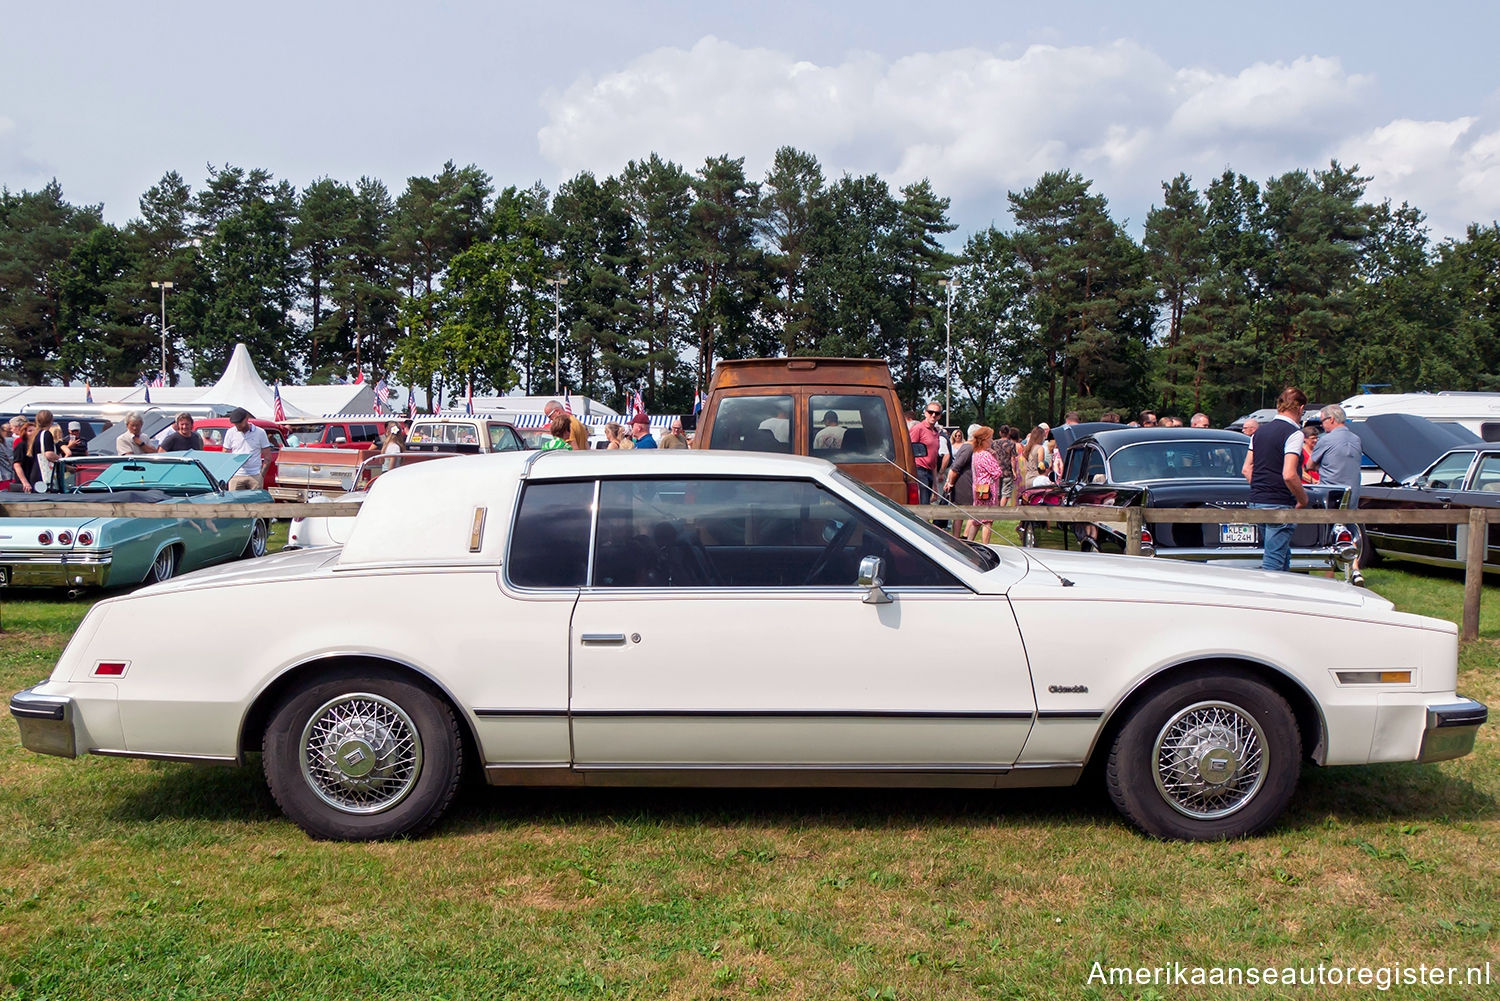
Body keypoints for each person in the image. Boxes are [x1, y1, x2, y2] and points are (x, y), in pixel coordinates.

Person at [1242, 386, 1309, 572]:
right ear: (1301, 408)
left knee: (1281, 553)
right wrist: (1303, 499)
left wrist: (1260, 488)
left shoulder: (1258, 433)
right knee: (1273, 561)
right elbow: (1289, 473)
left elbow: (1247, 469)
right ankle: (1268, 598)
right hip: (1279, 502)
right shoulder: (1294, 434)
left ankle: (1284, 595)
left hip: (1257, 501)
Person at [1308, 403, 1367, 585]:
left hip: (1331, 494)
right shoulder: (1356, 439)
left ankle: (1330, 577)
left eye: (1322, 421)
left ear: (1331, 419)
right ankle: (1355, 571)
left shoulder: (1326, 440)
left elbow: (1310, 465)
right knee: (1347, 531)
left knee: (1329, 536)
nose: (1321, 425)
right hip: (1353, 493)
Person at [223, 407, 272, 490]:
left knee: (256, 502)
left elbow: (268, 457)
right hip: (236, 475)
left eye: (239, 423)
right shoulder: (230, 432)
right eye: (235, 424)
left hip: (255, 475)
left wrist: (261, 476)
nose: (237, 426)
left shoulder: (260, 432)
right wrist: (229, 474)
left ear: (246, 419)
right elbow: (225, 454)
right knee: (235, 502)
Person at [968, 426, 1001, 544]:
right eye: (991, 438)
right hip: (988, 490)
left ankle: (969, 542)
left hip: (978, 488)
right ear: (985, 439)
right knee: (987, 520)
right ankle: (986, 545)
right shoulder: (985, 455)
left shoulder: (976, 454)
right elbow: (997, 472)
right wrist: (995, 457)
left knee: (976, 519)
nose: (992, 441)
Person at [944, 424, 978, 537]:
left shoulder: (967, 447)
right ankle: (962, 538)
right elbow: (955, 467)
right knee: (968, 512)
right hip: (963, 485)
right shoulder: (969, 448)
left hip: (963, 483)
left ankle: (959, 538)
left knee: (961, 514)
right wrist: (950, 483)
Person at [909, 401, 944, 504]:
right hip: (919, 470)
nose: (933, 415)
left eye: (936, 413)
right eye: (930, 412)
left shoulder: (936, 432)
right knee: (923, 504)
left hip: (929, 471)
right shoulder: (918, 428)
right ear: (925, 413)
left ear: (939, 416)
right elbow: (909, 451)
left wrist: (935, 485)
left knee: (927, 504)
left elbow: (934, 459)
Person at [31, 411, 62, 490]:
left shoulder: (37, 434)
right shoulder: (46, 434)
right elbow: (49, 454)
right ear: (51, 420)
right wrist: (62, 460)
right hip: (43, 474)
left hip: (36, 471)